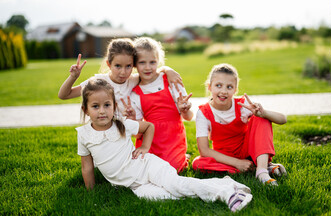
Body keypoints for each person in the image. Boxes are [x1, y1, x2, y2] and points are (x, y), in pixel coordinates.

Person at [77, 78, 253, 212]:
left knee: (176, 185)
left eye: (107, 105)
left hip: (147, 166)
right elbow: (87, 167)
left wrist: (145, 147)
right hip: (134, 185)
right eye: (95, 106)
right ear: (86, 109)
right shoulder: (84, 135)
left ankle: (229, 194)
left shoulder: (121, 125)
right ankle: (223, 183)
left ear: (114, 106)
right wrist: (91, 192)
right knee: (165, 197)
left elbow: (148, 126)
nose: (102, 111)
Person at [192, 63, 287, 186]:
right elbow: (204, 150)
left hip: (246, 150)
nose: (223, 91)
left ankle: (262, 172)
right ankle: (258, 167)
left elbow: (283, 119)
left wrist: (263, 113)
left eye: (229, 87)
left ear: (235, 90)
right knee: (198, 163)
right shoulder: (204, 113)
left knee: (260, 117)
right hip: (224, 155)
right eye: (218, 85)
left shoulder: (242, 105)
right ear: (210, 87)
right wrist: (237, 163)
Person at [58, 38, 182, 118]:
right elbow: (64, 95)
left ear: (133, 65)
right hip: (102, 132)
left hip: (124, 136)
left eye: (128, 66)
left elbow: (150, 71)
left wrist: (167, 69)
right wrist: (73, 77)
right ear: (108, 64)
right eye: (118, 66)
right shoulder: (98, 82)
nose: (123, 72)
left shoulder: (133, 80)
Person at [130, 37, 193, 172]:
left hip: (173, 136)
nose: (148, 67)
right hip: (150, 139)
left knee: (173, 169)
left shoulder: (171, 80)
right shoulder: (135, 93)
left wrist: (185, 110)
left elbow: (188, 117)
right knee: (147, 171)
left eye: (152, 62)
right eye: (142, 62)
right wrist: (132, 121)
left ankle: (181, 157)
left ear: (159, 61)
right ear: (135, 64)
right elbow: (138, 135)